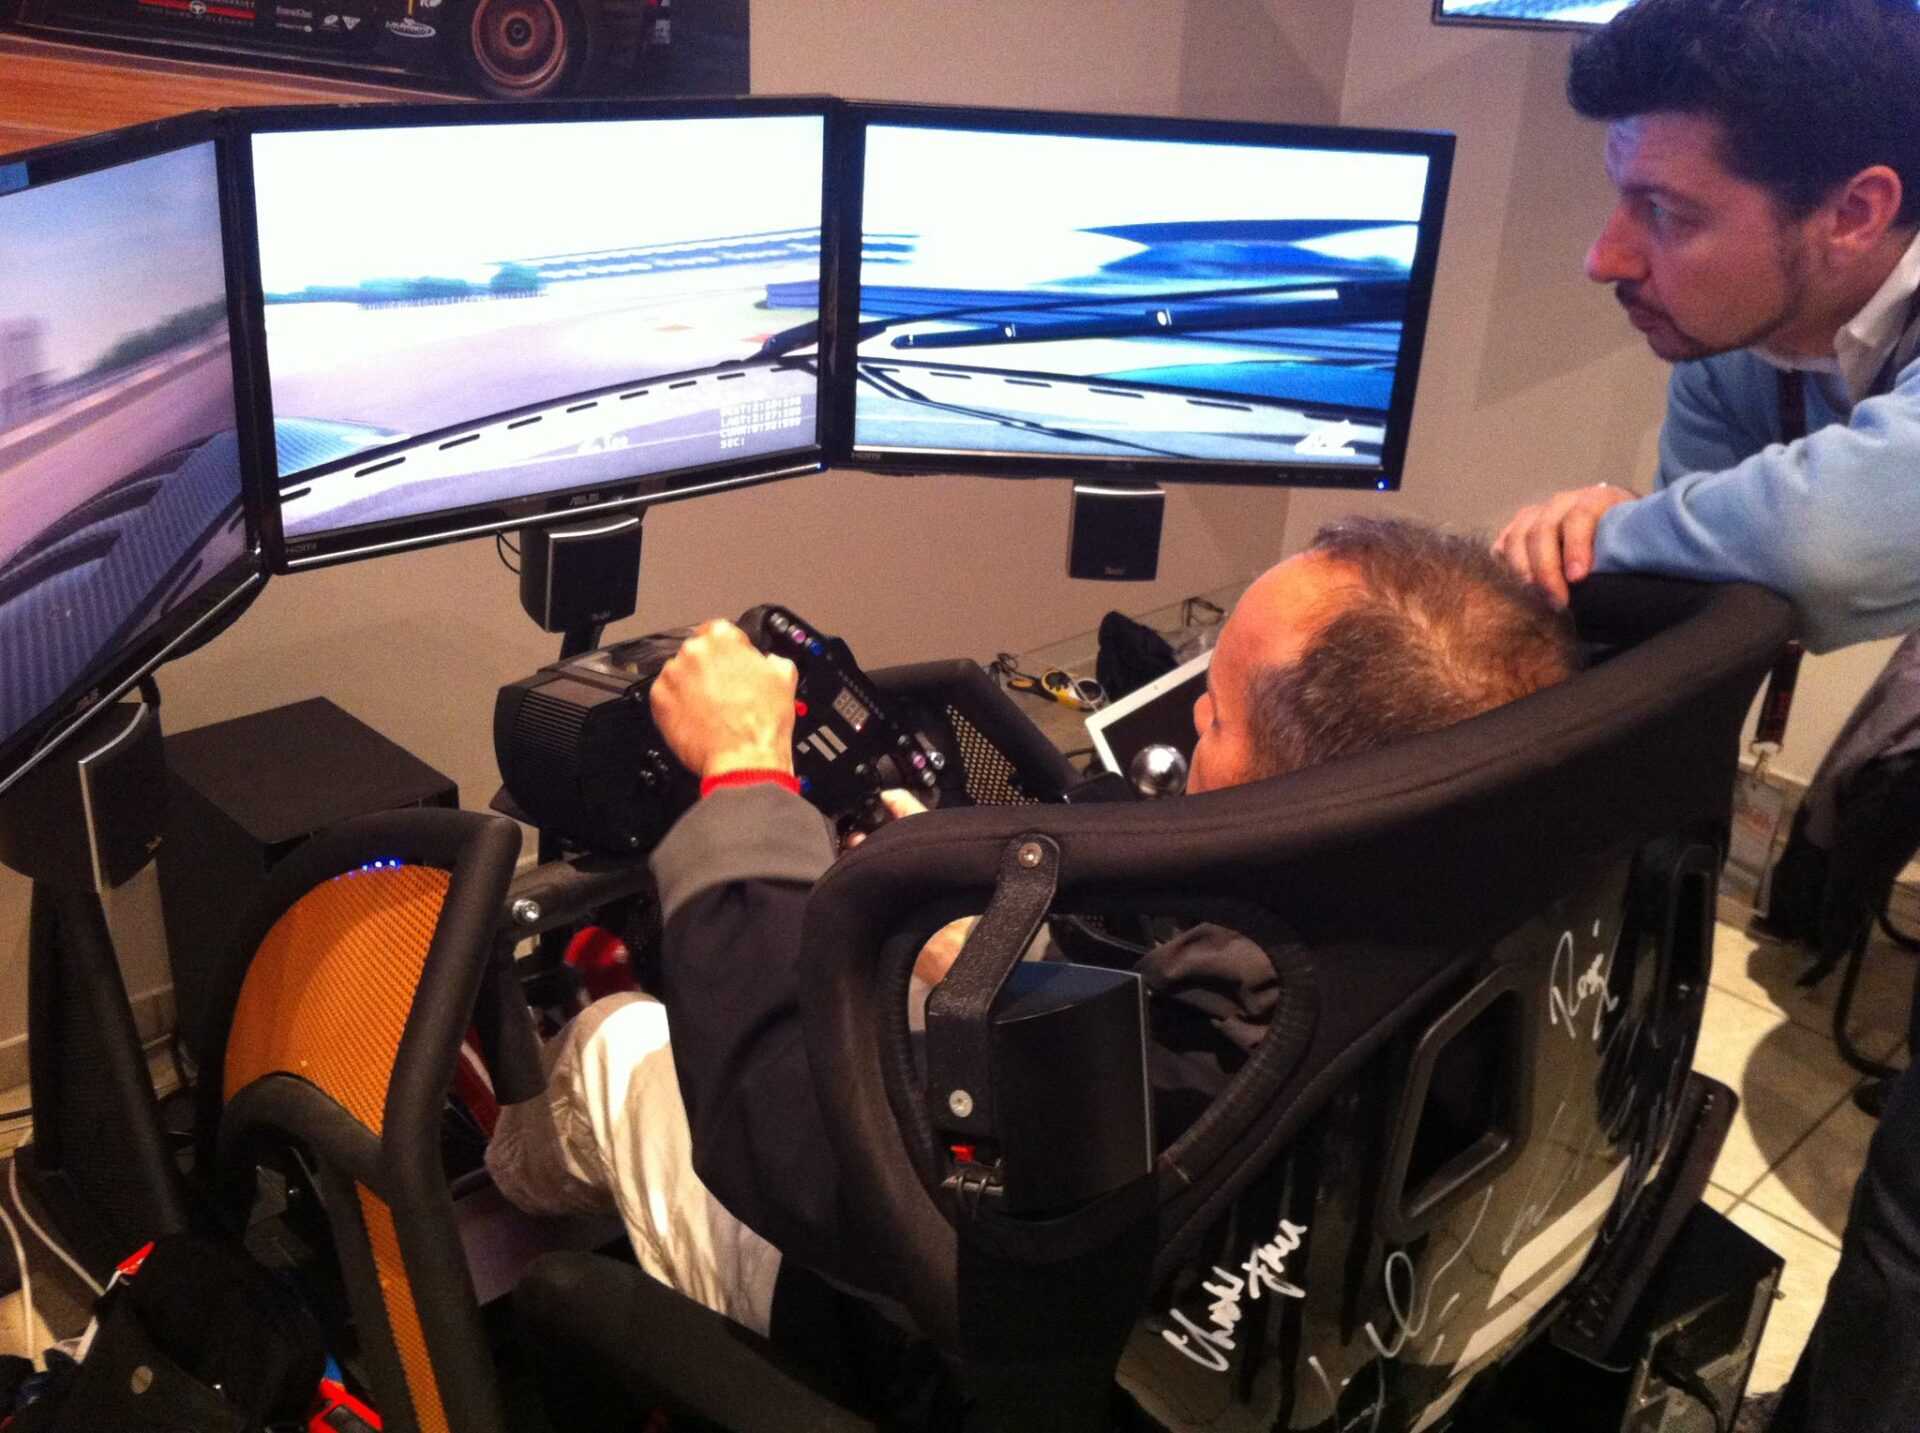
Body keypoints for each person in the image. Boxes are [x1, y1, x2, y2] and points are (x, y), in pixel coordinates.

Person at [488, 517, 1575, 1353]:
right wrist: (1001, 962)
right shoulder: (1486, 907)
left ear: (1305, 799)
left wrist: (741, 776)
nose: (1191, 725)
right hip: (1269, 1281)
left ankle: (500, 1199)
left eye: (1215, 714)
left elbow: (776, 1130)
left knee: (620, 1038)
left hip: (937, 1340)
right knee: (922, 986)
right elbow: (1166, 1029)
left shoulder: (1192, 1088)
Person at [1489, 3, 1920, 1430]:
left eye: (1668, 214)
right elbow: (1704, 612)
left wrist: (1602, 537)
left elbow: (1820, 549)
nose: (1605, 256)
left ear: (1856, 212)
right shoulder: (1755, 341)